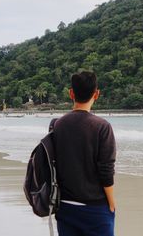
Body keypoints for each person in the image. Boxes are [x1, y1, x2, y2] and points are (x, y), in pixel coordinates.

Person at [53, 71, 116, 236]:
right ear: (96, 94)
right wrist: (111, 202)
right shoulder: (102, 127)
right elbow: (106, 170)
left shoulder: (57, 125)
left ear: (71, 93)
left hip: (65, 207)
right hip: (95, 208)